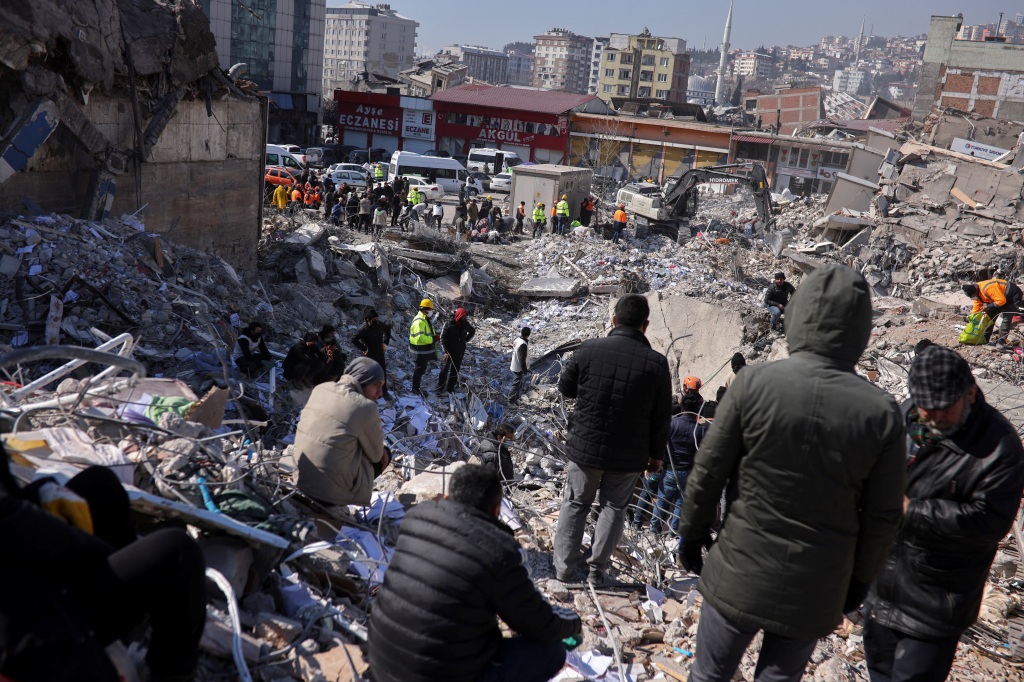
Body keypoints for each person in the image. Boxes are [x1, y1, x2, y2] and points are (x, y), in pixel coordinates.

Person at [678, 265, 907, 682]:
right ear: (861, 329)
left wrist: (691, 535)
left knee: (708, 675)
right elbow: (883, 517)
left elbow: (708, 472)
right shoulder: (882, 413)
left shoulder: (752, 384)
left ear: (797, 315)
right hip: (817, 588)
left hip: (738, 568)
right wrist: (859, 582)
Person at [864, 345, 1024, 682]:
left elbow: (989, 522)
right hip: (882, 586)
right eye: (927, 407)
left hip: (934, 604)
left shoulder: (999, 447)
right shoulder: (908, 414)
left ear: (969, 392)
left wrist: (913, 511)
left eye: (944, 409)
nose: (934, 416)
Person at [0, 444, 205, 682]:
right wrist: (95, 552)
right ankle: (170, 674)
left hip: (23, 573)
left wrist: (40, 493)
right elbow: (16, 524)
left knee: (100, 485)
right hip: (31, 621)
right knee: (176, 551)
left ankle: (125, 620)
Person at [368, 464, 582, 682]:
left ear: (449, 496)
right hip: (436, 675)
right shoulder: (499, 551)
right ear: (497, 510)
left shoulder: (416, 518)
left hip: (381, 660)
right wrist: (573, 622)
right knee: (552, 652)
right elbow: (538, 623)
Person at [554, 294, 672, 584]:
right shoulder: (657, 364)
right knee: (614, 508)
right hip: (629, 456)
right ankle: (597, 571)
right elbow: (662, 417)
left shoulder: (588, 349)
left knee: (575, 503)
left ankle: (564, 570)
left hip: (585, 448)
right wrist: (657, 456)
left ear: (614, 320)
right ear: (645, 325)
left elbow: (566, 388)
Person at [294, 357, 390, 511]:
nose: (379, 393)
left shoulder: (320, 388)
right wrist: (383, 450)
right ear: (362, 380)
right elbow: (376, 455)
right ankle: (342, 500)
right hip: (328, 495)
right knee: (385, 453)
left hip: (300, 479)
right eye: (376, 385)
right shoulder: (366, 407)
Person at [653, 380, 708, 535]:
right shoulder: (700, 429)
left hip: (670, 469)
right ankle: (674, 532)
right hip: (689, 471)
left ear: (682, 406)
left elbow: (660, 442)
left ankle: (654, 530)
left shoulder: (672, 424)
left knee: (662, 500)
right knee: (681, 503)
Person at [962, 279, 1024, 345]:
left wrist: (988, 307)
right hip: (999, 298)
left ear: (975, 292)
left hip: (1012, 296)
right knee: (989, 317)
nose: (973, 297)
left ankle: (1001, 341)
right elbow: (977, 306)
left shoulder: (987, 288)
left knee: (1006, 318)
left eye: (972, 296)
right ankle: (985, 339)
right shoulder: (977, 293)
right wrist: (973, 318)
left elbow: (1001, 301)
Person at [352, 309, 393, 398]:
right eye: (373, 320)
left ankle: (384, 392)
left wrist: (386, 342)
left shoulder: (380, 325)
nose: (376, 321)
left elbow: (388, 331)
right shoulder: (363, 329)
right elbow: (354, 339)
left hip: (380, 353)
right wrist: (363, 348)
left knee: (382, 373)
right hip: (369, 355)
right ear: (368, 320)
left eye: (377, 319)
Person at [437, 307, 476, 393]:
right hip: (449, 351)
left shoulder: (465, 324)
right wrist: (445, 351)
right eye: (462, 316)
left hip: (459, 351)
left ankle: (450, 388)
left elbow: (472, 331)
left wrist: (466, 340)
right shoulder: (449, 324)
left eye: (464, 316)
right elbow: (442, 338)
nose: (464, 318)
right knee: (444, 369)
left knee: (455, 370)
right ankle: (440, 388)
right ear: (458, 315)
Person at [409, 298, 438, 393]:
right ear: (425, 310)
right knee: (419, 370)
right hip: (419, 350)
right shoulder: (419, 321)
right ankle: (415, 389)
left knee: (421, 369)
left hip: (421, 350)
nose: (431, 312)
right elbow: (419, 337)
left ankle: (416, 387)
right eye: (430, 310)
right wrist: (432, 339)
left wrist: (434, 336)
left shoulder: (424, 319)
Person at [508, 327, 531, 404]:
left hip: (514, 364)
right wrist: (524, 370)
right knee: (516, 384)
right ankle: (510, 401)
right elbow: (522, 359)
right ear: (528, 335)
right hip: (518, 367)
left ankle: (516, 398)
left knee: (518, 383)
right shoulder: (523, 344)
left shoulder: (517, 340)